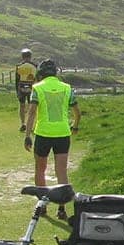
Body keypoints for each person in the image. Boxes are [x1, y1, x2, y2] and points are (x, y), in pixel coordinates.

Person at [23, 58, 81, 219]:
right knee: (61, 171)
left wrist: (27, 135)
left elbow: (32, 112)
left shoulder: (37, 88)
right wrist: (75, 126)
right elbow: (77, 112)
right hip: (63, 134)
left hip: (43, 134)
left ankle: (42, 206)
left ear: (41, 74)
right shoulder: (67, 88)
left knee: (40, 170)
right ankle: (62, 209)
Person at [15, 48, 38, 132]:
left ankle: (22, 124)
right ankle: (30, 125)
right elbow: (37, 78)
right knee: (31, 107)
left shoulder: (19, 66)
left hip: (21, 86)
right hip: (31, 87)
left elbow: (17, 80)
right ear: (30, 56)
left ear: (22, 56)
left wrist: (17, 91)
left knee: (22, 105)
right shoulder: (35, 65)